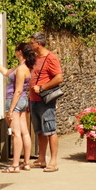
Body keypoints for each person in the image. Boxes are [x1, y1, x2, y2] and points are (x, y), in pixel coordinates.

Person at [0, 43, 35, 172]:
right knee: (25, 133)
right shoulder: (25, 67)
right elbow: (6, 72)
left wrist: (11, 110)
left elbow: (17, 91)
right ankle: (26, 163)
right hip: (23, 101)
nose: (14, 52)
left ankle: (15, 165)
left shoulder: (20, 69)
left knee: (15, 134)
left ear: (20, 52)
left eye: (15, 50)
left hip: (15, 101)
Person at [27, 32, 64, 171]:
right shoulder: (35, 58)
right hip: (34, 99)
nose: (30, 46)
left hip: (45, 100)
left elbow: (59, 78)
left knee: (50, 129)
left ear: (38, 43)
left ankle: (53, 161)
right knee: (40, 131)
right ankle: (41, 159)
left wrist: (42, 87)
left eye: (32, 43)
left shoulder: (51, 58)